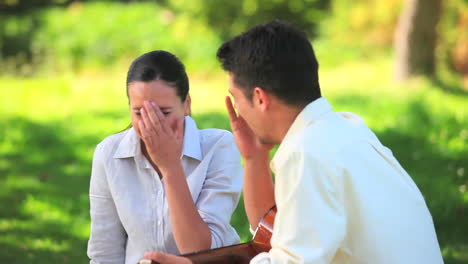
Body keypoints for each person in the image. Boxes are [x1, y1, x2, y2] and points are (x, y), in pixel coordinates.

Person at [144, 21, 444, 264]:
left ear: (259, 98)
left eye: (236, 98)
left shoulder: (308, 151)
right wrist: (254, 157)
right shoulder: (343, 128)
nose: (238, 110)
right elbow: (272, 236)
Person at [87, 50, 242, 264]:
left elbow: (200, 251)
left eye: (164, 112)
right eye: (140, 112)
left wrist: (170, 168)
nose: (151, 123)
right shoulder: (109, 153)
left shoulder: (218, 147)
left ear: (186, 104)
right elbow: (105, 253)